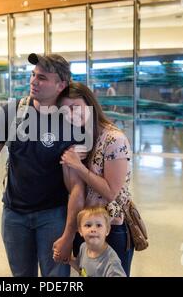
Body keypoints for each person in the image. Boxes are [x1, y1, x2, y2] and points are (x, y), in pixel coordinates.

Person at [0, 53, 85, 277]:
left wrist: (69, 234)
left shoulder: (69, 119)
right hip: (14, 215)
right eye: (32, 75)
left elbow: (76, 184)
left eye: (42, 78)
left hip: (53, 215)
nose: (33, 81)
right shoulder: (13, 111)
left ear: (61, 85)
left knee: (55, 278)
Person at [57, 82, 134, 276]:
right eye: (65, 112)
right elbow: (73, 188)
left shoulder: (114, 139)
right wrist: (69, 165)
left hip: (111, 228)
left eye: (75, 107)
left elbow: (110, 191)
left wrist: (78, 166)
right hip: (86, 226)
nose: (71, 115)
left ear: (89, 102)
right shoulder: (82, 138)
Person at [67, 206, 125, 277]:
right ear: (80, 231)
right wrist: (68, 259)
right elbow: (82, 269)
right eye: (88, 225)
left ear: (107, 230)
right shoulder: (83, 247)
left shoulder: (111, 262)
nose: (93, 229)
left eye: (98, 225)